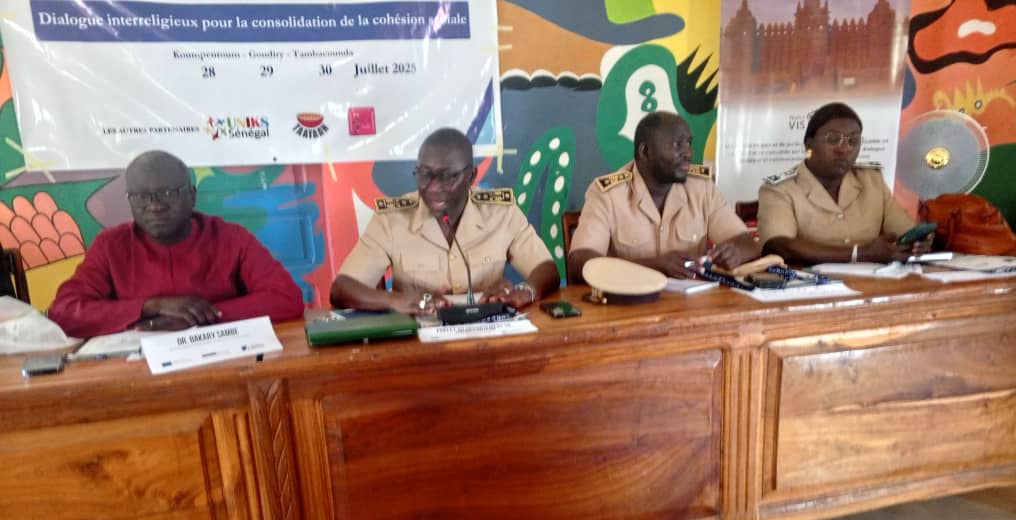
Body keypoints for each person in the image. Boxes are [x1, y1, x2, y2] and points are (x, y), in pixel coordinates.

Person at [48, 150, 304, 339]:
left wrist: (199, 318)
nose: (155, 206)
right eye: (141, 196)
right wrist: (151, 306)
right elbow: (63, 312)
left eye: (168, 193)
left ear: (192, 196)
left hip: (222, 362)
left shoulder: (230, 237)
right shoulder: (111, 246)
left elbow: (287, 298)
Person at [330, 128, 559, 315]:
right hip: (416, 342)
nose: (432, 187)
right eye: (425, 174)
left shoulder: (501, 213)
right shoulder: (391, 220)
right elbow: (342, 289)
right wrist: (396, 300)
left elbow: (546, 269)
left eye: (448, 176)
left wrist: (524, 290)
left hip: (488, 335)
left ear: (471, 176)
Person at [567, 111, 759, 284]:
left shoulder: (702, 188)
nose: (688, 153)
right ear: (645, 151)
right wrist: (654, 265)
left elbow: (748, 243)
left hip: (691, 304)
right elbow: (579, 263)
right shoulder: (607, 195)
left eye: (689, 143)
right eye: (677, 145)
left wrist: (736, 253)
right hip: (627, 304)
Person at [757, 102, 932, 265]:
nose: (844, 149)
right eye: (833, 139)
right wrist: (860, 254)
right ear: (809, 144)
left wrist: (917, 243)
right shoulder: (780, 189)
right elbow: (779, 246)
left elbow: (905, 233)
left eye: (853, 141)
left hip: (874, 281)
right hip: (812, 283)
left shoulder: (872, 181)